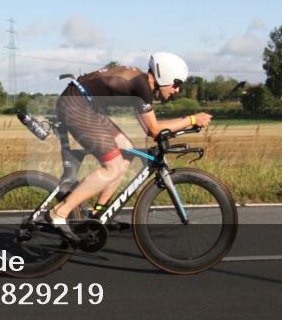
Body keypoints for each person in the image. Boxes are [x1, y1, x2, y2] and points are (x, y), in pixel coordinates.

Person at [47, 52, 211, 241]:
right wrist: (191, 119)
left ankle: (98, 214)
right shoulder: (142, 86)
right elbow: (155, 129)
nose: (177, 90)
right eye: (176, 84)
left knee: (127, 152)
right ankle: (60, 212)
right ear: (164, 75)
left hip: (85, 105)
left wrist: (172, 129)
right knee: (113, 166)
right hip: (76, 106)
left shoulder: (140, 84)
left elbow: (149, 130)